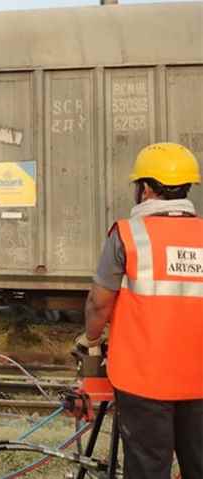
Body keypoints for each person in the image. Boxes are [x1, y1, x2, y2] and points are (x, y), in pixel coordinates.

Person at [80, 142, 202, 479]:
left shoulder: (128, 235)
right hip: (200, 379)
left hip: (145, 380)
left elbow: (99, 302)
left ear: (145, 188)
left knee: (148, 468)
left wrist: (90, 339)